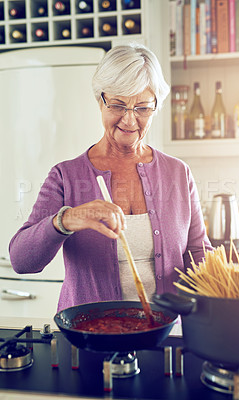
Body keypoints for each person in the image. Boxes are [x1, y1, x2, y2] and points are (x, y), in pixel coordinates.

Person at [9, 43, 212, 312]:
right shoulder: (65, 176)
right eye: (118, 105)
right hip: (92, 336)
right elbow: (22, 261)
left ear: (156, 106)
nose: (129, 120)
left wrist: (232, 285)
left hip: (164, 335)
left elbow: (198, 252)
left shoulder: (178, 173)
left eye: (142, 108)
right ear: (100, 100)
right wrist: (66, 219)